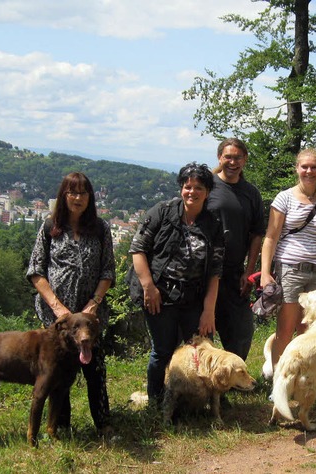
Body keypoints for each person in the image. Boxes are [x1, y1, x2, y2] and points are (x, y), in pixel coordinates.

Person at [129, 163, 224, 404]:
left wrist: (209, 311)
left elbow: (215, 271)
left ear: (208, 192)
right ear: (181, 188)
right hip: (160, 294)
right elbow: (138, 250)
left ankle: (194, 399)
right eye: (187, 186)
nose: (191, 192)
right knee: (162, 351)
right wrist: (149, 288)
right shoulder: (162, 212)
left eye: (198, 188)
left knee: (196, 348)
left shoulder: (212, 224)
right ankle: (156, 400)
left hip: (194, 297)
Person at [27, 172, 115, 433]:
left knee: (95, 369)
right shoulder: (49, 227)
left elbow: (108, 271)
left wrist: (94, 303)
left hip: (90, 315)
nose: (78, 198)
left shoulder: (101, 229)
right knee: (58, 371)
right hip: (57, 319)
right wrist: (57, 308)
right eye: (72, 192)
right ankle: (60, 426)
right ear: (63, 196)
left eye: (83, 193)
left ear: (91, 197)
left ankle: (103, 423)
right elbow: (35, 271)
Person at [260, 148, 316, 368]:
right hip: (290, 268)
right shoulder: (284, 198)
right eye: (304, 166)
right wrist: (265, 273)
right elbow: (270, 237)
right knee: (285, 330)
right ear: (297, 168)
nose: (309, 171)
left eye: (314, 167)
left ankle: (304, 378)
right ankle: (279, 380)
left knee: (311, 331)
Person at [206, 138, 266, 361]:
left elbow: (257, 234)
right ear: (219, 158)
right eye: (228, 157)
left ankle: (231, 377)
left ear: (245, 159)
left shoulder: (251, 193)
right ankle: (206, 380)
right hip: (203, 272)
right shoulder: (207, 186)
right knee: (203, 330)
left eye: (237, 157)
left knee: (241, 331)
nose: (232, 162)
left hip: (233, 272)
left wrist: (249, 272)